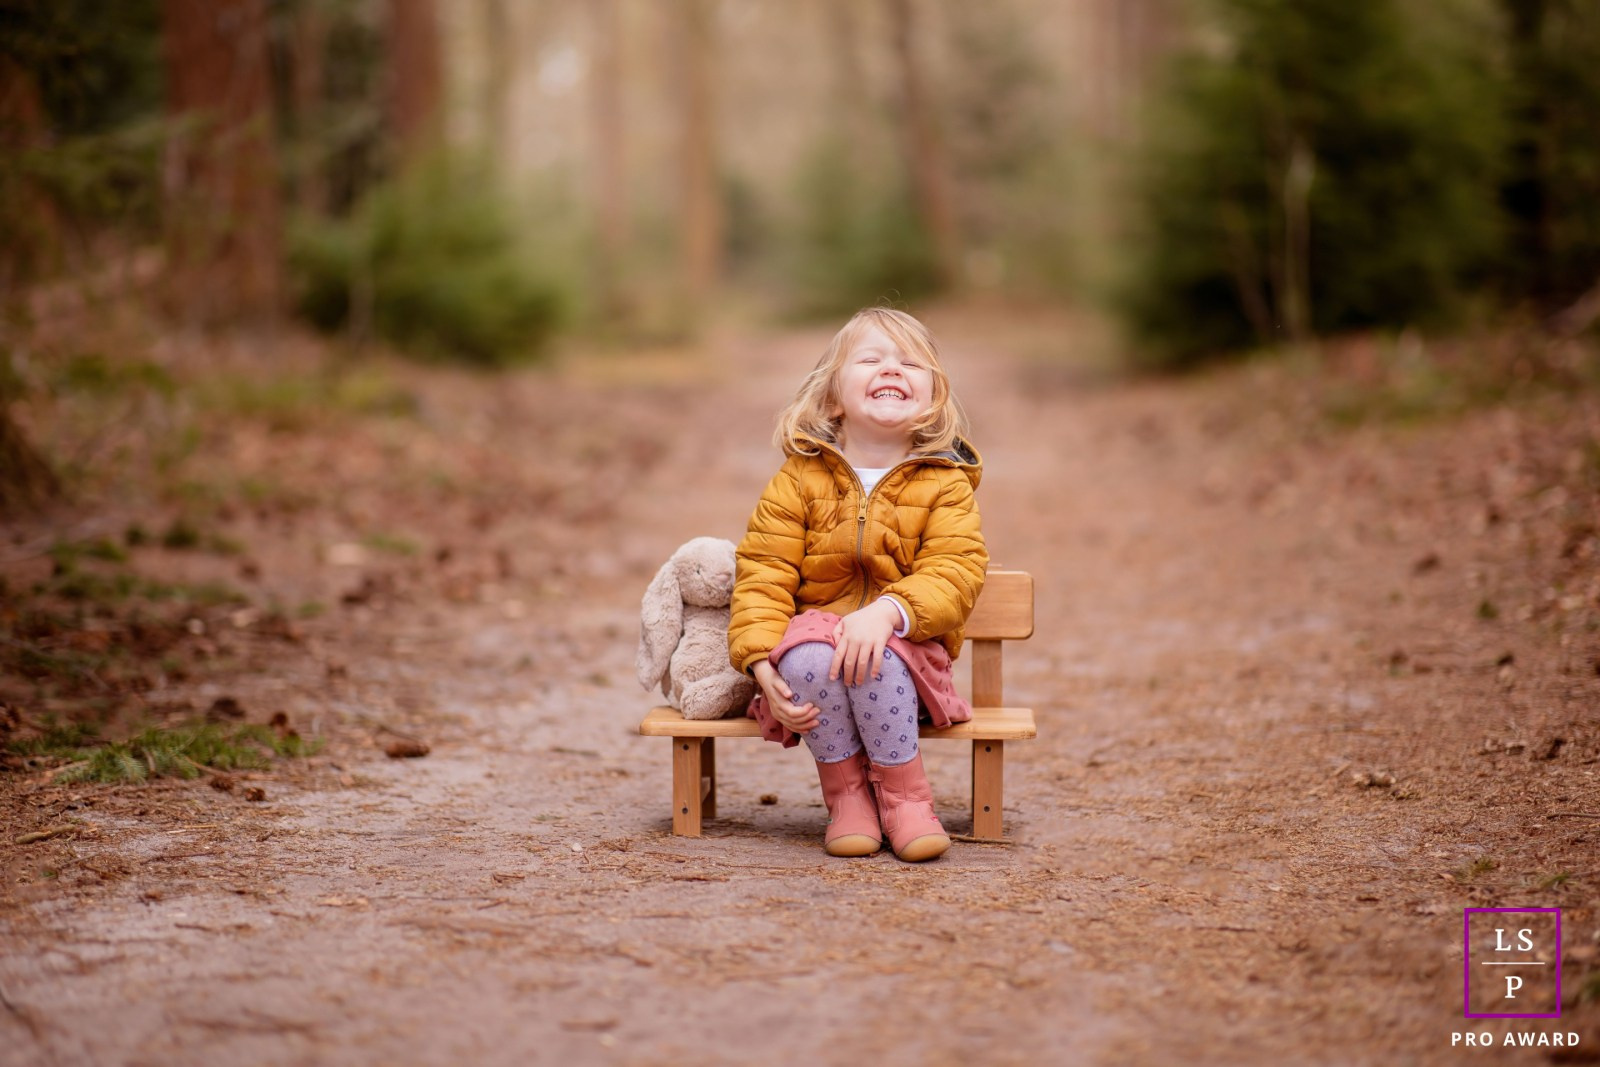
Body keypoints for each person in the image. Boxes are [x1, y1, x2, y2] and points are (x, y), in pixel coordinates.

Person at [728, 307, 987, 862]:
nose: (892, 369)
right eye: (871, 360)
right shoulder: (798, 480)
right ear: (832, 398)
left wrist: (889, 612)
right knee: (806, 659)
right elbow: (763, 572)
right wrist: (759, 663)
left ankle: (905, 799)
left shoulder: (946, 483)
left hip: (910, 665)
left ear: (933, 398)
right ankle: (846, 796)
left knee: (876, 655)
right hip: (813, 668)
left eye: (910, 364)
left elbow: (955, 570)